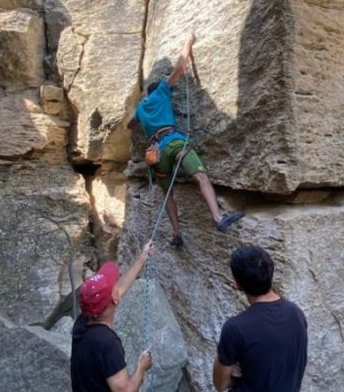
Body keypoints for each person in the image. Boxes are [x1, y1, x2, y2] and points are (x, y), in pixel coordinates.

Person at [128, 33, 244, 247]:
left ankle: (176, 234)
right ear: (160, 90)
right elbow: (180, 68)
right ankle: (218, 218)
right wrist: (188, 43)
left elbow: (130, 124)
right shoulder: (161, 92)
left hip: (156, 153)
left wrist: (142, 119)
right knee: (200, 176)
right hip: (174, 142)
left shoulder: (141, 108)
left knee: (167, 193)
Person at [213, 245, 308, 392]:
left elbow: (220, 384)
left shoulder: (235, 328)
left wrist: (236, 373)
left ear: (237, 283)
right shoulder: (296, 313)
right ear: (270, 272)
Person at [71, 240, 156, 392]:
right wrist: (141, 368)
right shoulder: (107, 343)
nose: (118, 285)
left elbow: (119, 290)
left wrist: (143, 257)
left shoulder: (82, 324)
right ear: (114, 298)